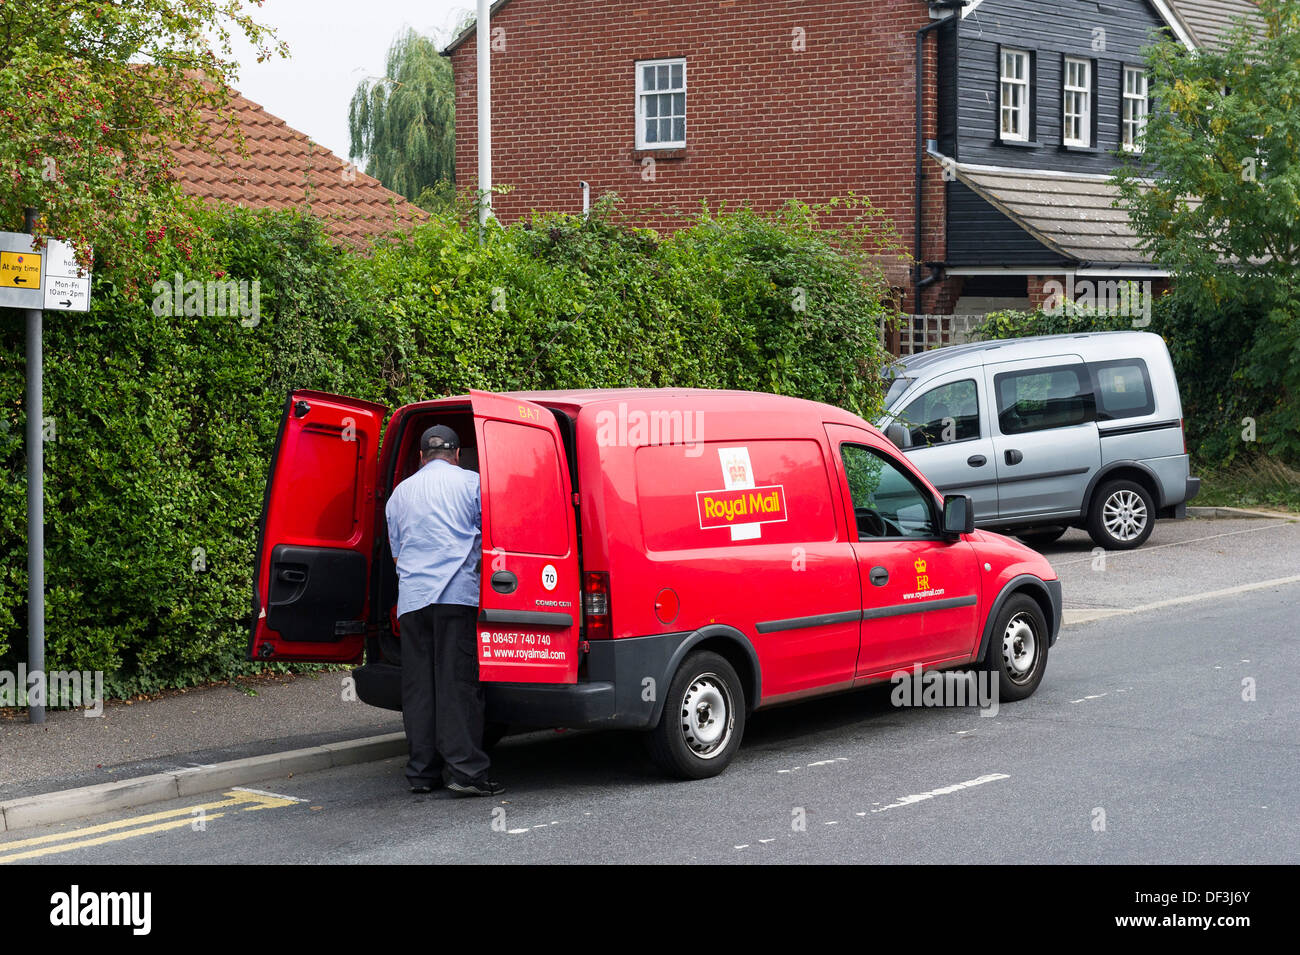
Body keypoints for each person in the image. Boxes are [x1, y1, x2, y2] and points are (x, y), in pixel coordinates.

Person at [385, 424, 503, 797]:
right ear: (456, 454)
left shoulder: (399, 494)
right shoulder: (472, 484)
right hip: (455, 598)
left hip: (413, 602)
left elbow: (397, 554)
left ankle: (422, 773)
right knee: (457, 686)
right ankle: (465, 772)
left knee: (419, 688)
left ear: (421, 457)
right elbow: (491, 539)